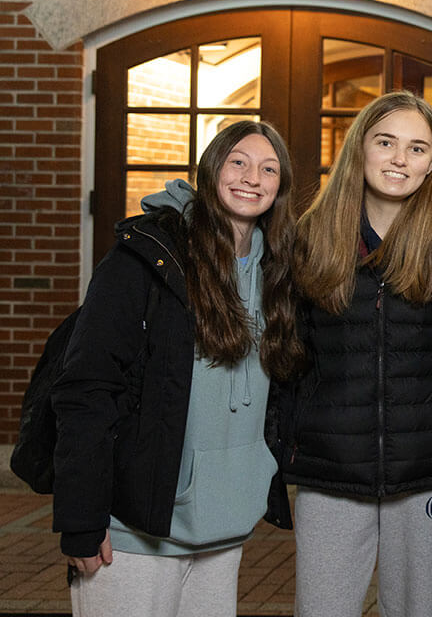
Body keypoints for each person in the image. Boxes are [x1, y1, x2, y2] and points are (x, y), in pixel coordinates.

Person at [51, 121, 304, 617]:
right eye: (238, 162)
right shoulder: (148, 257)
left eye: (268, 168)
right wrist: (81, 518)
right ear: (211, 170)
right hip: (135, 528)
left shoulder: (280, 270)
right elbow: (87, 388)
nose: (252, 177)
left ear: (280, 187)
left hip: (223, 526)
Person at [285, 92, 432, 617]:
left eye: (417, 148)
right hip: (331, 468)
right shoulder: (312, 237)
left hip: (428, 468)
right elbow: (288, 352)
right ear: (359, 149)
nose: (399, 160)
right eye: (386, 142)